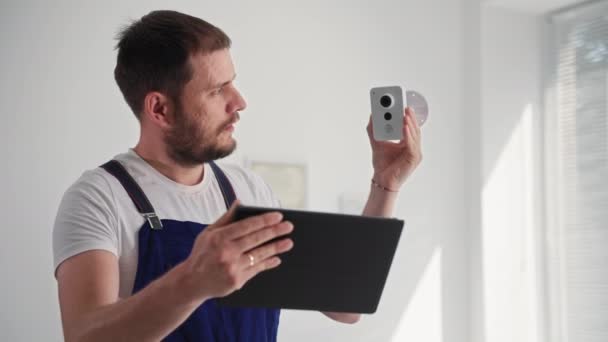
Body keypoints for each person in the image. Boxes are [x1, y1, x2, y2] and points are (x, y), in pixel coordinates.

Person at [52, 9, 422, 342]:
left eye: (233, 82)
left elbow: (347, 305)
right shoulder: (99, 197)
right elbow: (85, 337)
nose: (239, 101)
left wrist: (386, 182)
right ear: (160, 109)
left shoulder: (248, 190)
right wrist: (192, 282)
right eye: (216, 90)